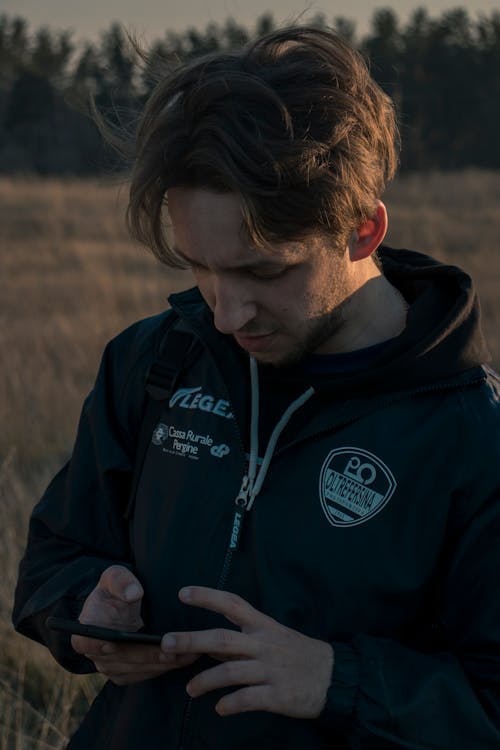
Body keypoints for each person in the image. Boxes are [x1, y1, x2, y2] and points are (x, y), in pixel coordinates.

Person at [12, 25, 500, 750]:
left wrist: (336, 679)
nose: (227, 312)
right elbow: (54, 556)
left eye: (265, 272)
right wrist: (85, 612)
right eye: (199, 268)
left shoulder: (472, 436)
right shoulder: (154, 361)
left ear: (362, 230)